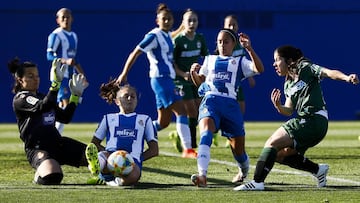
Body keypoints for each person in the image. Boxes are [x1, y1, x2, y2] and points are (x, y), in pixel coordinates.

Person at [234, 45, 359, 191]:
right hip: (308, 123)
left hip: (314, 120)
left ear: (289, 60)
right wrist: (279, 106)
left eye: (277, 60)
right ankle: (318, 170)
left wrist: (346, 77)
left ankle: (257, 181)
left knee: (272, 143)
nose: (274, 64)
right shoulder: (288, 84)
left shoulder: (305, 68)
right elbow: (288, 111)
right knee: (280, 155)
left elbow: (329, 72)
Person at [116, 3, 197, 158]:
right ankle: (187, 150)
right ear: (157, 20)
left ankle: (132, 132)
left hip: (166, 79)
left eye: (169, 19)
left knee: (163, 122)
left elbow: (172, 35)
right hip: (161, 79)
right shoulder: (153, 36)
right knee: (182, 111)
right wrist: (124, 73)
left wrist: (182, 25)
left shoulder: (166, 35)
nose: (167, 21)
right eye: (164, 19)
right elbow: (136, 52)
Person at [189, 29, 264, 187]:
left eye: (226, 41)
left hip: (230, 105)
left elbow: (259, 69)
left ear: (234, 44)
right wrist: (193, 73)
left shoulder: (239, 61)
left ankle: (243, 171)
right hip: (210, 101)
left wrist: (249, 49)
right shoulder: (209, 60)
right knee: (205, 134)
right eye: (219, 41)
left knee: (238, 151)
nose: (222, 44)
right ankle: (202, 175)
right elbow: (200, 84)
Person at [8, 57, 89, 185]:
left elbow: (65, 117)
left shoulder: (43, 97)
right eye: (30, 76)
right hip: (38, 148)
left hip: (58, 144)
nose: (36, 79)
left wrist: (75, 97)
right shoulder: (21, 99)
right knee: (53, 176)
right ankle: (40, 172)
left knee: (99, 158)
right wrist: (55, 84)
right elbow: (42, 106)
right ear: (20, 80)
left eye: (37, 76)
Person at [85, 81, 159, 186]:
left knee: (134, 176)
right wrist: (111, 155)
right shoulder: (108, 118)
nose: (130, 99)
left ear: (137, 101)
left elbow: (154, 150)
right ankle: (96, 166)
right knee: (102, 156)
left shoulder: (145, 120)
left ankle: (111, 183)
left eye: (133, 97)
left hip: (131, 161)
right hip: (110, 158)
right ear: (117, 101)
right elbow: (94, 144)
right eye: (126, 96)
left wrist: (136, 159)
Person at [171, 8, 209, 150]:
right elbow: (171, 63)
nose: (192, 23)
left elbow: (206, 58)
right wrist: (183, 74)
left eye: (195, 20)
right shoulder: (179, 40)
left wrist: (203, 73)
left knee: (199, 110)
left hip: (195, 79)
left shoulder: (200, 38)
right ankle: (192, 145)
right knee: (191, 111)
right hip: (181, 81)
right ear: (183, 22)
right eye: (189, 20)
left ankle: (180, 134)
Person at [47, 8, 86, 134]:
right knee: (65, 103)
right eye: (63, 17)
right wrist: (65, 61)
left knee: (65, 105)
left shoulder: (74, 36)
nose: (65, 20)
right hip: (59, 74)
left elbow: (75, 59)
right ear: (57, 20)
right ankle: (55, 135)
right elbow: (49, 56)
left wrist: (82, 74)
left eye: (68, 17)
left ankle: (52, 132)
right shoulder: (56, 35)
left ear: (72, 19)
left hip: (70, 74)